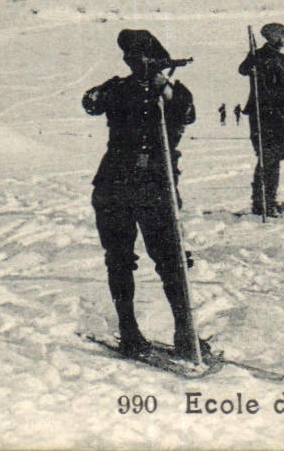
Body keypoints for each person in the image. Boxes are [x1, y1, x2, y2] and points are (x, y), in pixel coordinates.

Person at [83, 29, 199, 357]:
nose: (134, 65)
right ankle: (129, 331)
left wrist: (163, 87)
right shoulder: (118, 89)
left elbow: (187, 114)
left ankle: (185, 333)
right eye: (131, 60)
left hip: (156, 188)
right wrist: (124, 87)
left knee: (171, 259)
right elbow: (90, 103)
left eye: (141, 60)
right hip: (115, 186)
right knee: (119, 259)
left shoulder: (174, 94)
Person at [238, 22, 284, 216]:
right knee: (270, 157)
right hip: (270, 113)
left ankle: (263, 201)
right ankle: (265, 202)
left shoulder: (268, 58)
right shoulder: (272, 58)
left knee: (268, 157)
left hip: (263, 112)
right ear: (275, 37)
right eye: (283, 38)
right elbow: (243, 70)